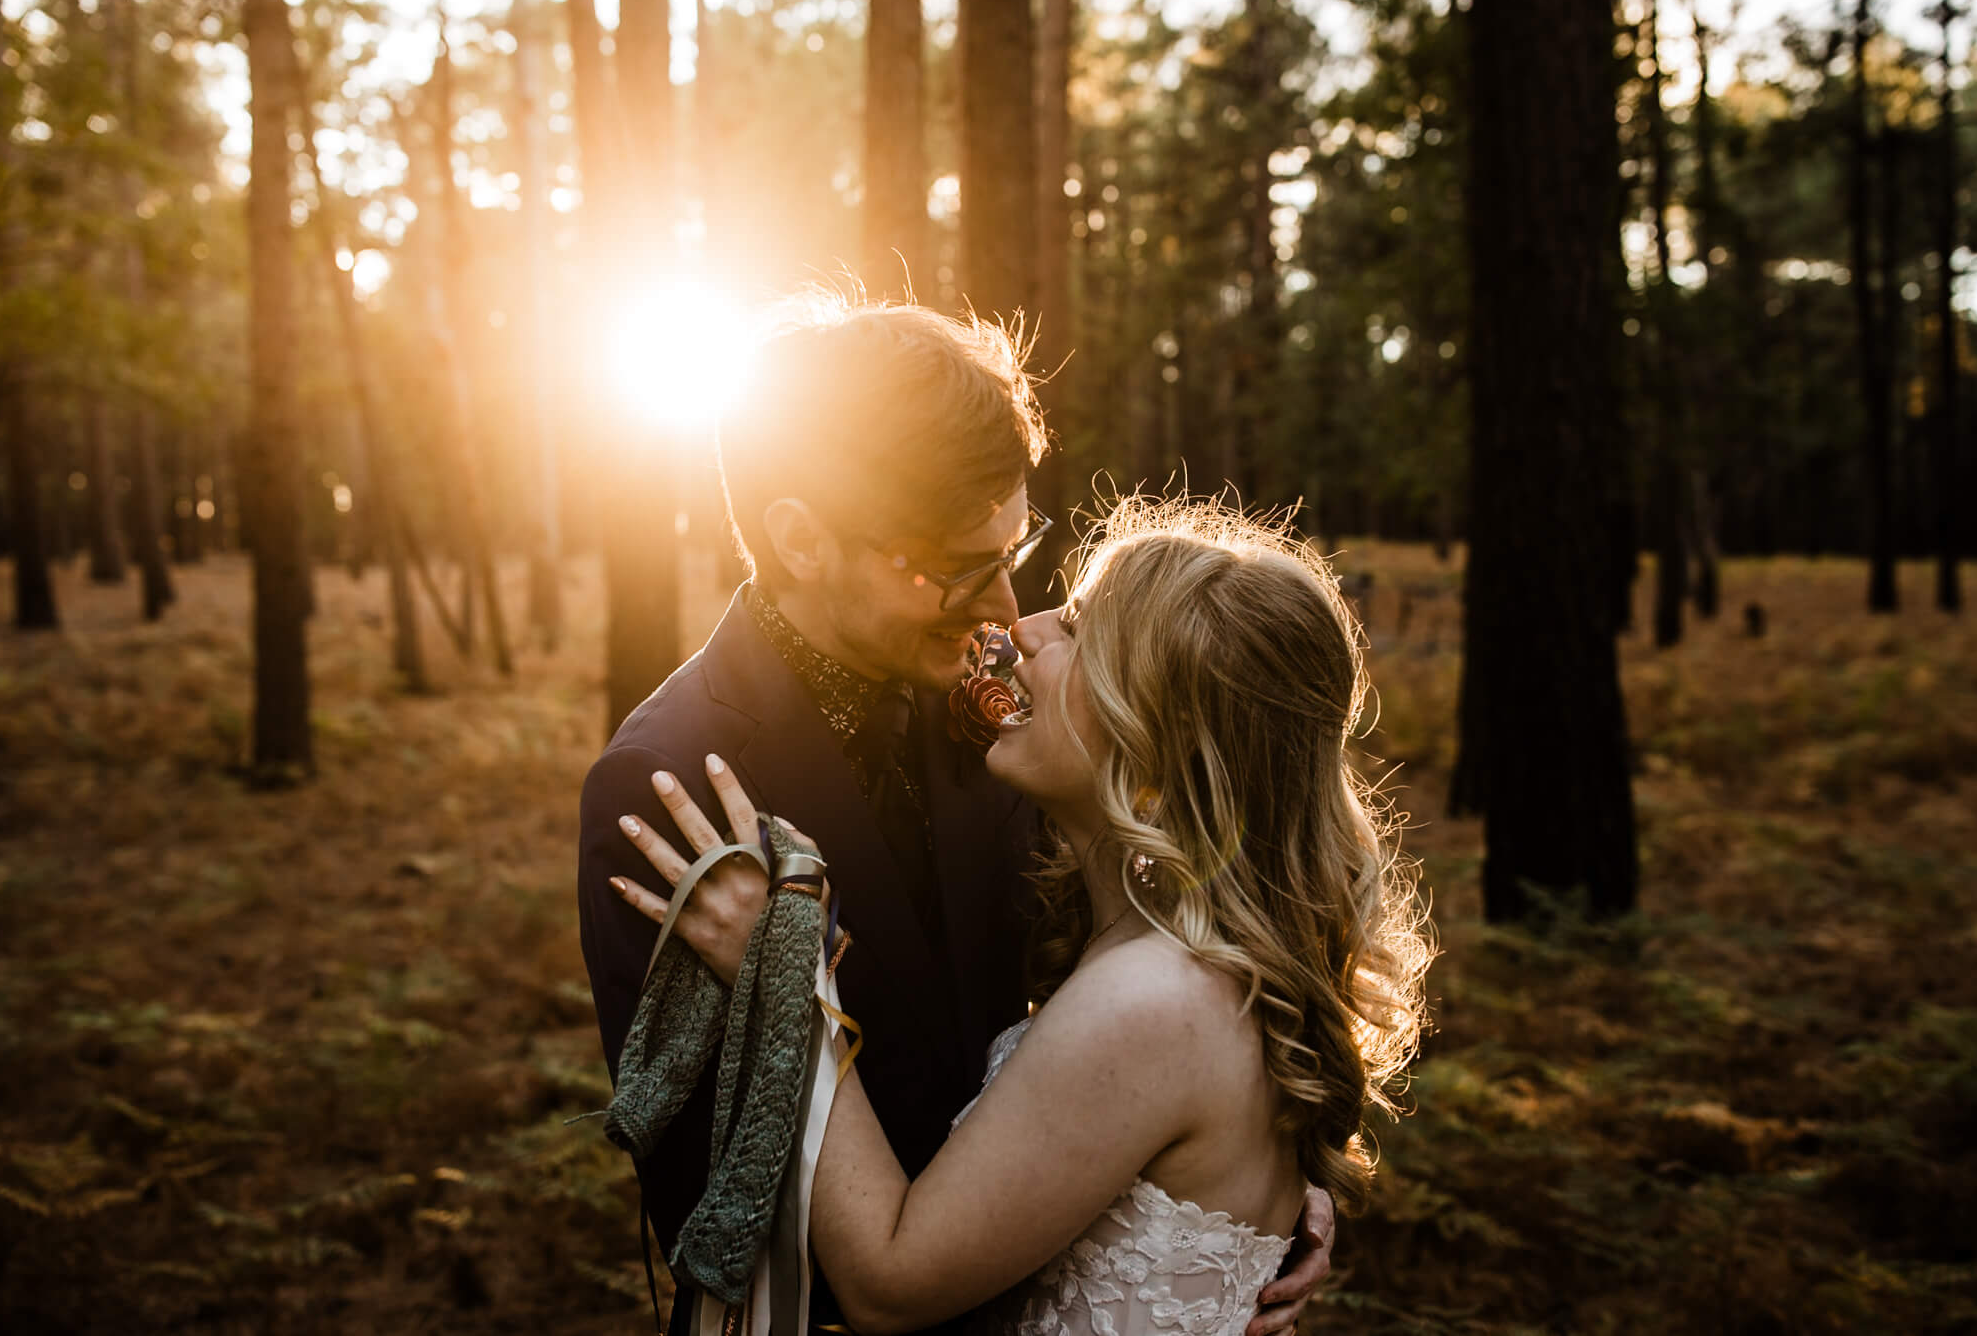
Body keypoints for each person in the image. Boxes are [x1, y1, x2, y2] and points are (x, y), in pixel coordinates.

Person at [576, 297, 1337, 1336]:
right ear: (800, 538)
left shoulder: (1012, 722)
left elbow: (1134, 998)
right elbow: (719, 1202)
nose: (997, 614)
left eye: (1012, 553)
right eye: (958, 567)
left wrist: (1232, 1198)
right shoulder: (671, 782)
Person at [611, 497, 1434, 1336]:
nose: (1026, 625)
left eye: (1079, 632)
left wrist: (785, 974)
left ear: (1153, 746)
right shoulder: (1181, 951)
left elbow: (890, 1285)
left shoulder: (1151, 998)